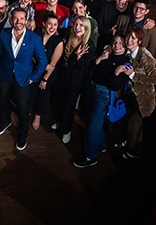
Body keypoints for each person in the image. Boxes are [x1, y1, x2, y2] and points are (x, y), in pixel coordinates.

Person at [0, 7, 48, 150]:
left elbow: (43, 62)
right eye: (15, 18)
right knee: (3, 100)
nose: (18, 21)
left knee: (23, 108)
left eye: (22, 18)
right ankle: (5, 121)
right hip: (5, 75)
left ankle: (22, 134)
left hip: (24, 78)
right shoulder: (4, 34)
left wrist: (33, 78)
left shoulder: (34, 38)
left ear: (26, 20)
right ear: (11, 20)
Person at [73, 35, 130, 168]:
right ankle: (101, 145)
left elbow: (116, 86)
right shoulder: (107, 54)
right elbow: (91, 68)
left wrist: (116, 73)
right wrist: (100, 58)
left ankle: (90, 157)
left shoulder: (125, 62)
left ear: (125, 45)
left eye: (121, 43)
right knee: (96, 122)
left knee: (92, 126)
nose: (117, 45)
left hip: (104, 95)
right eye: (115, 42)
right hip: (93, 88)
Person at [116, 27, 156, 160]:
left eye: (133, 38)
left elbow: (155, 80)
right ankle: (128, 142)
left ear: (139, 41)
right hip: (129, 94)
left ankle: (134, 152)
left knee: (134, 124)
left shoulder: (147, 57)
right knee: (126, 122)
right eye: (128, 37)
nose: (129, 40)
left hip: (143, 98)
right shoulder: (127, 52)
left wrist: (134, 75)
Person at [51, 16, 95, 144]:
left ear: (86, 28)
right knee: (59, 99)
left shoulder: (89, 45)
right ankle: (59, 121)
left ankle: (66, 130)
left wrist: (78, 57)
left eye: (81, 25)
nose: (78, 28)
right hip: (63, 74)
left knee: (69, 104)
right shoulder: (68, 35)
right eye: (76, 24)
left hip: (76, 79)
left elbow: (82, 67)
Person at [29, 11, 65, 131]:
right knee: (31, 92)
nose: (52, 27)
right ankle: (28, 110)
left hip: (48, 75)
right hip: (34, 69)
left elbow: (52, 65)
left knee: (42, 95)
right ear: (44, 24)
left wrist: (44, 79)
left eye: (55, 24)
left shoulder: (58, 41)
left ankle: (37, 117)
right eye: (50, 24)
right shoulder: (37, 34)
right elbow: (31, 54)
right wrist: (41, 65)